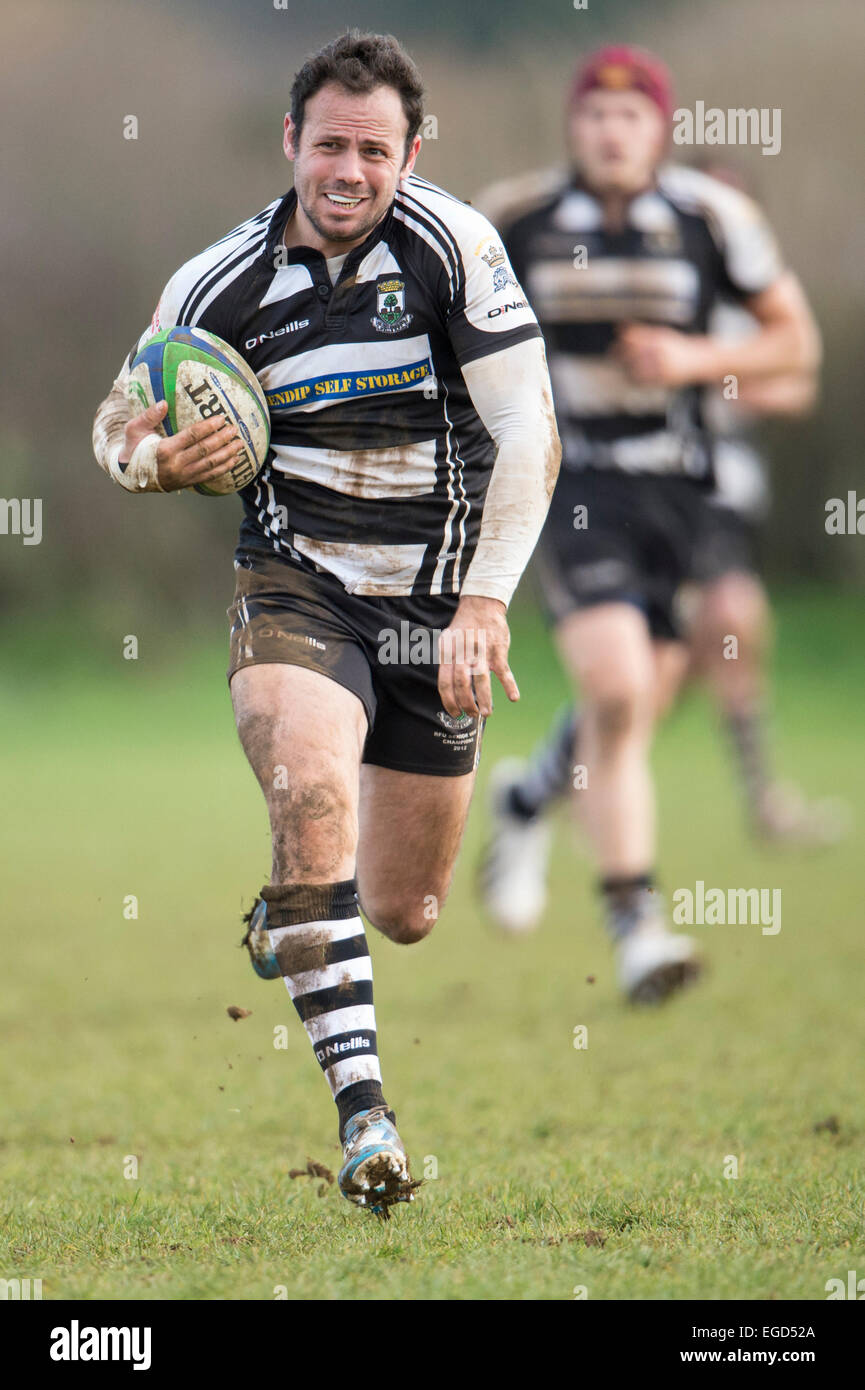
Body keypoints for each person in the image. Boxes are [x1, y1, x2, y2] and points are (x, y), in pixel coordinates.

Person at [92, 31, 560, 1216]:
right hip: (294, 579)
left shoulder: (454, 248)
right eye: (329, 144)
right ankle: (366, 1121)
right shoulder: (218, 284)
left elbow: (530, 435)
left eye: (375, 149)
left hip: (434, 598)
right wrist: (153, 460)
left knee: (401, 911)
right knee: (308, 793)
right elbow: (116, 422)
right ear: (289, 141)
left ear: (411, 153)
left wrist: (484, 602)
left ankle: (294, 910)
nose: (349, 170)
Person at [475, 46, 820, 1001]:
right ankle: (637, 929)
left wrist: (692, 358)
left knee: (632, 708)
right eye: (592, 114)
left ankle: (526, 800)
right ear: (572, 125)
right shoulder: (517, 217)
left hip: (680, 490)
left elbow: (796, 345)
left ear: (661, 128)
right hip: (570, 477)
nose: (609, 131)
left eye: (630, 117)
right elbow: (445, 319)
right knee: (617, 684)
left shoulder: (713, 217)